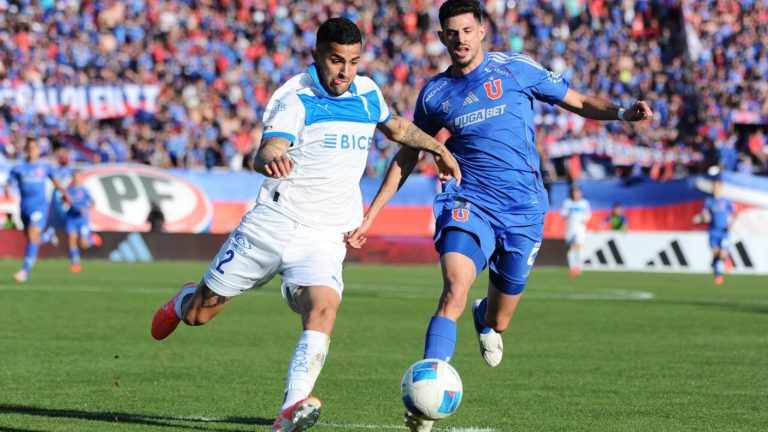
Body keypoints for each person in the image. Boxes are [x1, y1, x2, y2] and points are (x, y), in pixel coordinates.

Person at [347, 1, 652, 430]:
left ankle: (484, 317)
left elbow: (578, 100)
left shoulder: (516, 69)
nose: (460, 40)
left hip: (524, 210)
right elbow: (407, 154)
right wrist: (371, 215)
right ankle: (427, 397)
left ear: (482, 32)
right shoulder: (434, 94)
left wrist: (622, 114)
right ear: (440, 38)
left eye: (467, 31)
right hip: (469, 203)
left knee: (500, 319)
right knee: (454, 287)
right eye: (451, 33)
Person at [149, 17, 461, 432]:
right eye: (335, 60)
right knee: (200, 316)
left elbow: (397, 127)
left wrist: (437, 148)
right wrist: (271, 158)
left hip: (325, 237)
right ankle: (185, 299)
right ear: (317, 56)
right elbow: (269, 148)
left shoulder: (367, 92)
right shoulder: (294, 97)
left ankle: (291, 407)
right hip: (272, 224)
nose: (344, 71)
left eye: (352, 61)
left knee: (324, 308)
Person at [3, 137, 70, 282]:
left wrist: (66, 194)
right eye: (29, 148)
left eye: (35, 147)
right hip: (24, 209)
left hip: (39, 208)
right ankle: (48, 236)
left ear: (39, 150)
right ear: (26, 150)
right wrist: (7, 189)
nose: (32, 150)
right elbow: (9, 183)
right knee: (32, 239)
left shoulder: (44, 167)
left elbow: (56, 181)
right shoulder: (18, 168)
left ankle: (25, 271)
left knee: (33, 234)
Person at [693, 177, 735, 285]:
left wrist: (731, 224)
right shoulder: (709, 201)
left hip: (724, 231)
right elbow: (704, 213)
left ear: (721, 188)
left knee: (722, 253)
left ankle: (725, 260)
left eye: (717, 186)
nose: (715, 189)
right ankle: (717, 273)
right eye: (714, 187)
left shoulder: (726, 201)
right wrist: (701, 217)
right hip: (713, 231)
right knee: (716, 253)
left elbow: (735, 213)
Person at [63, 169, 102, 273]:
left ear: (80, 177)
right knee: (71, 239)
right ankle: (76, 264)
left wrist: (86, 208)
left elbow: (93, 203)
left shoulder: (84, 190)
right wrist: (64, 201)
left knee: (83, 244)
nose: (76, 178)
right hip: (71, 218)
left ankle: (93, 239)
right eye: (74, 176)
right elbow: (63, 201)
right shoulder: (69, 190)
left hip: (82, 219)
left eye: (78, 176)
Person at [561, 185, 591, 277]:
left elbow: (588, 214)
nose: (576, 195)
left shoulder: (584, 203)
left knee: (578, 245)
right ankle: (573, 267)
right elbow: (563, 214)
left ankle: (578, 267)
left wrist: (585, 219)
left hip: (580, 227)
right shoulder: (567, 203)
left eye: (577, 193)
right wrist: (568, 215)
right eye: (574, 193)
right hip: (570, 227)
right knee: (571, 248)